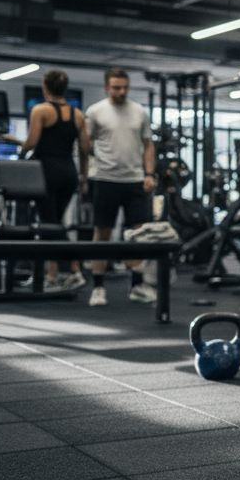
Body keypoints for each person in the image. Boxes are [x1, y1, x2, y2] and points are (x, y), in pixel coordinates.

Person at [1, 68, 89, 289]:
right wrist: (84, 176)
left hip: (46, 173)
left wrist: (15, 143)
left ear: (45, 87)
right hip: (68, 173)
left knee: (50, 226)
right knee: (54, 224)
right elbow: (85, 149)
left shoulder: (40, 110)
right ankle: (52, 276)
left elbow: (31, 143)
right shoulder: (77, 114)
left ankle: (74, 270)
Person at [84, 67, 156, 307]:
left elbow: (148, 145)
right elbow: (85, 145)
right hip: (105, 180)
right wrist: (87, 173)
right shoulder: (95, 111)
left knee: (137, 234)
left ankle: (136, 285)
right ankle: (98, 288)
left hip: (134, 180)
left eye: (124, 87)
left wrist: (149, 173)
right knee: (101, 233)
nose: (121, 91)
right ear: (107, 87)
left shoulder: (139, 112)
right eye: (116, 87)